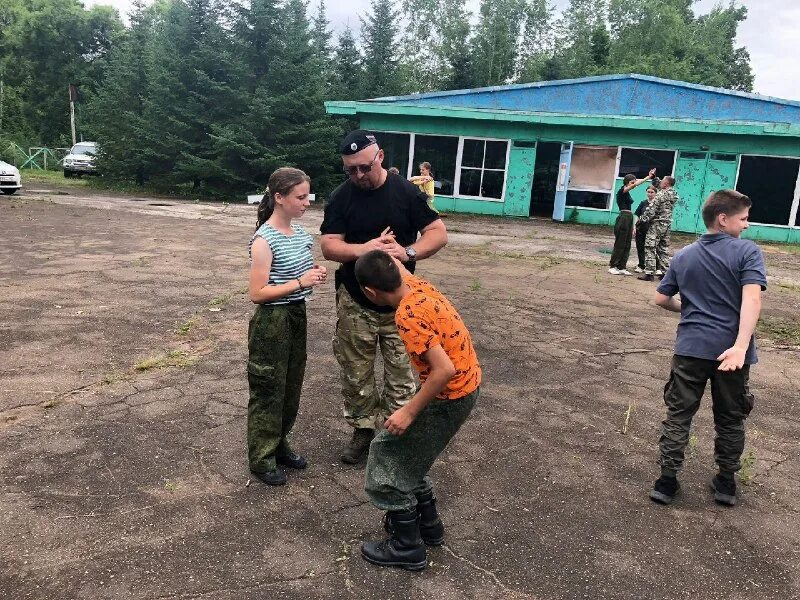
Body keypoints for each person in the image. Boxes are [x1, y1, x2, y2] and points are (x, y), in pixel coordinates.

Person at [320, 130, 447, 464]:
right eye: (350, 170)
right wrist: (365, 249)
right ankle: (363, 431)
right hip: (354, 302)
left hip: (401, 304)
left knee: (403, 374)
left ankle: (395, 438)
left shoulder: (405, 192)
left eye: (364, 167)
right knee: (355, 372)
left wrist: (407, 252)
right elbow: (329, 244)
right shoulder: (341, 197)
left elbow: (437, 233)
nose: (358, 175)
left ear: (380, 158)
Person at [353, 250, 481, 571]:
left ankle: (406, 546)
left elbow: (443, 370)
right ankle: (428, 525)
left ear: (370, 292)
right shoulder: (418, 286)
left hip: (448, 396)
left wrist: (408, 412)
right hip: (468, 386)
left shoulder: (406, 315)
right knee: (412, 452)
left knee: (386, 454)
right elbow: (397, 267)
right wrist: (390, 251)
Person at [648, 189, 766, 507]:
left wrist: (687, 309)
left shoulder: (684, 255)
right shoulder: (747, 253)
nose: (747, 225)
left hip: (690, 350)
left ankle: (666, 482)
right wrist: (740, 347)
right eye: (743, 219)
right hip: (732, 354)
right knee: (730, 418)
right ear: (723, 219)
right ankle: (726, 483)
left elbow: (660, 298)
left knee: (679, 415)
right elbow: (752, 299)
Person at [247, 167, 328, 486]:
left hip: (296, 316)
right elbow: (257, 293)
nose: (307, 202)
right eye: (301, 197)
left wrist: (314, 273)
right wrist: (300, 281)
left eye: (309, 196)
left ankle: (280, 445)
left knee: (292, 385)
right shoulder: (264, 240)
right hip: (272, 321)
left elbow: (302, 275)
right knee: (268, 388)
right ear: (279, 198)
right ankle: (261, 456)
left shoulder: (301, 236)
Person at [609, 168, 656, 275]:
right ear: (627, 182)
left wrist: (649, 177)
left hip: (629, 218)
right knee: (620, 243)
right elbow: (633, 186)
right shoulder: (622, 191)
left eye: (634, 181)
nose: (634, 184)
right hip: (623, 217)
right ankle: (613, 266)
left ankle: (622, 267)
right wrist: (645, 178)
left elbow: (635, 184)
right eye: (632, 182)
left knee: (627, 243)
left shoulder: (628, 191)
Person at [637, 175, 679, 281]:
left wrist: (642, 219)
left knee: (650, 246)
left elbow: (652, 209)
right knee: (663, 249)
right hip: (667, 223)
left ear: (666, 184)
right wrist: (655, 178)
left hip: (657, 223)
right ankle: (665, 273)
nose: (660, 182)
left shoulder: (660, 195)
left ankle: (649, 273)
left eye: (662, 181)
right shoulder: (674, 194)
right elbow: (660, 186)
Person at [634, 185, 658, 272]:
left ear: (656, 193)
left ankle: (653, 267)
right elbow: (637, 214)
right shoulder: (643, 203)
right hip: (641, 229)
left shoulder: (657, 204)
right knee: (640, 247)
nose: (650, 194)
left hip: (652, 230)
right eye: (648, 192)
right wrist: (634, 226)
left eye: (652, 192)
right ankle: (641, 265)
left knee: (651, 248)